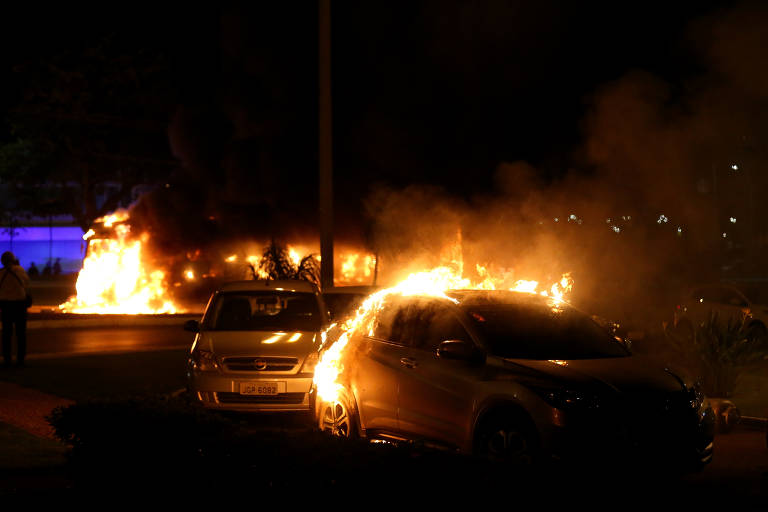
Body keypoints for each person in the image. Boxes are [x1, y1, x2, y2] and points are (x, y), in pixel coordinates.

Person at [0, 251, 31, 367]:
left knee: (6, 334)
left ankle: (7, 359)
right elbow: (27, 283)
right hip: (19, 305)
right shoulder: (20, 270)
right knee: (21, 334)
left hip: (6, 306)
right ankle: (20, 359)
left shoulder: (1, 273)